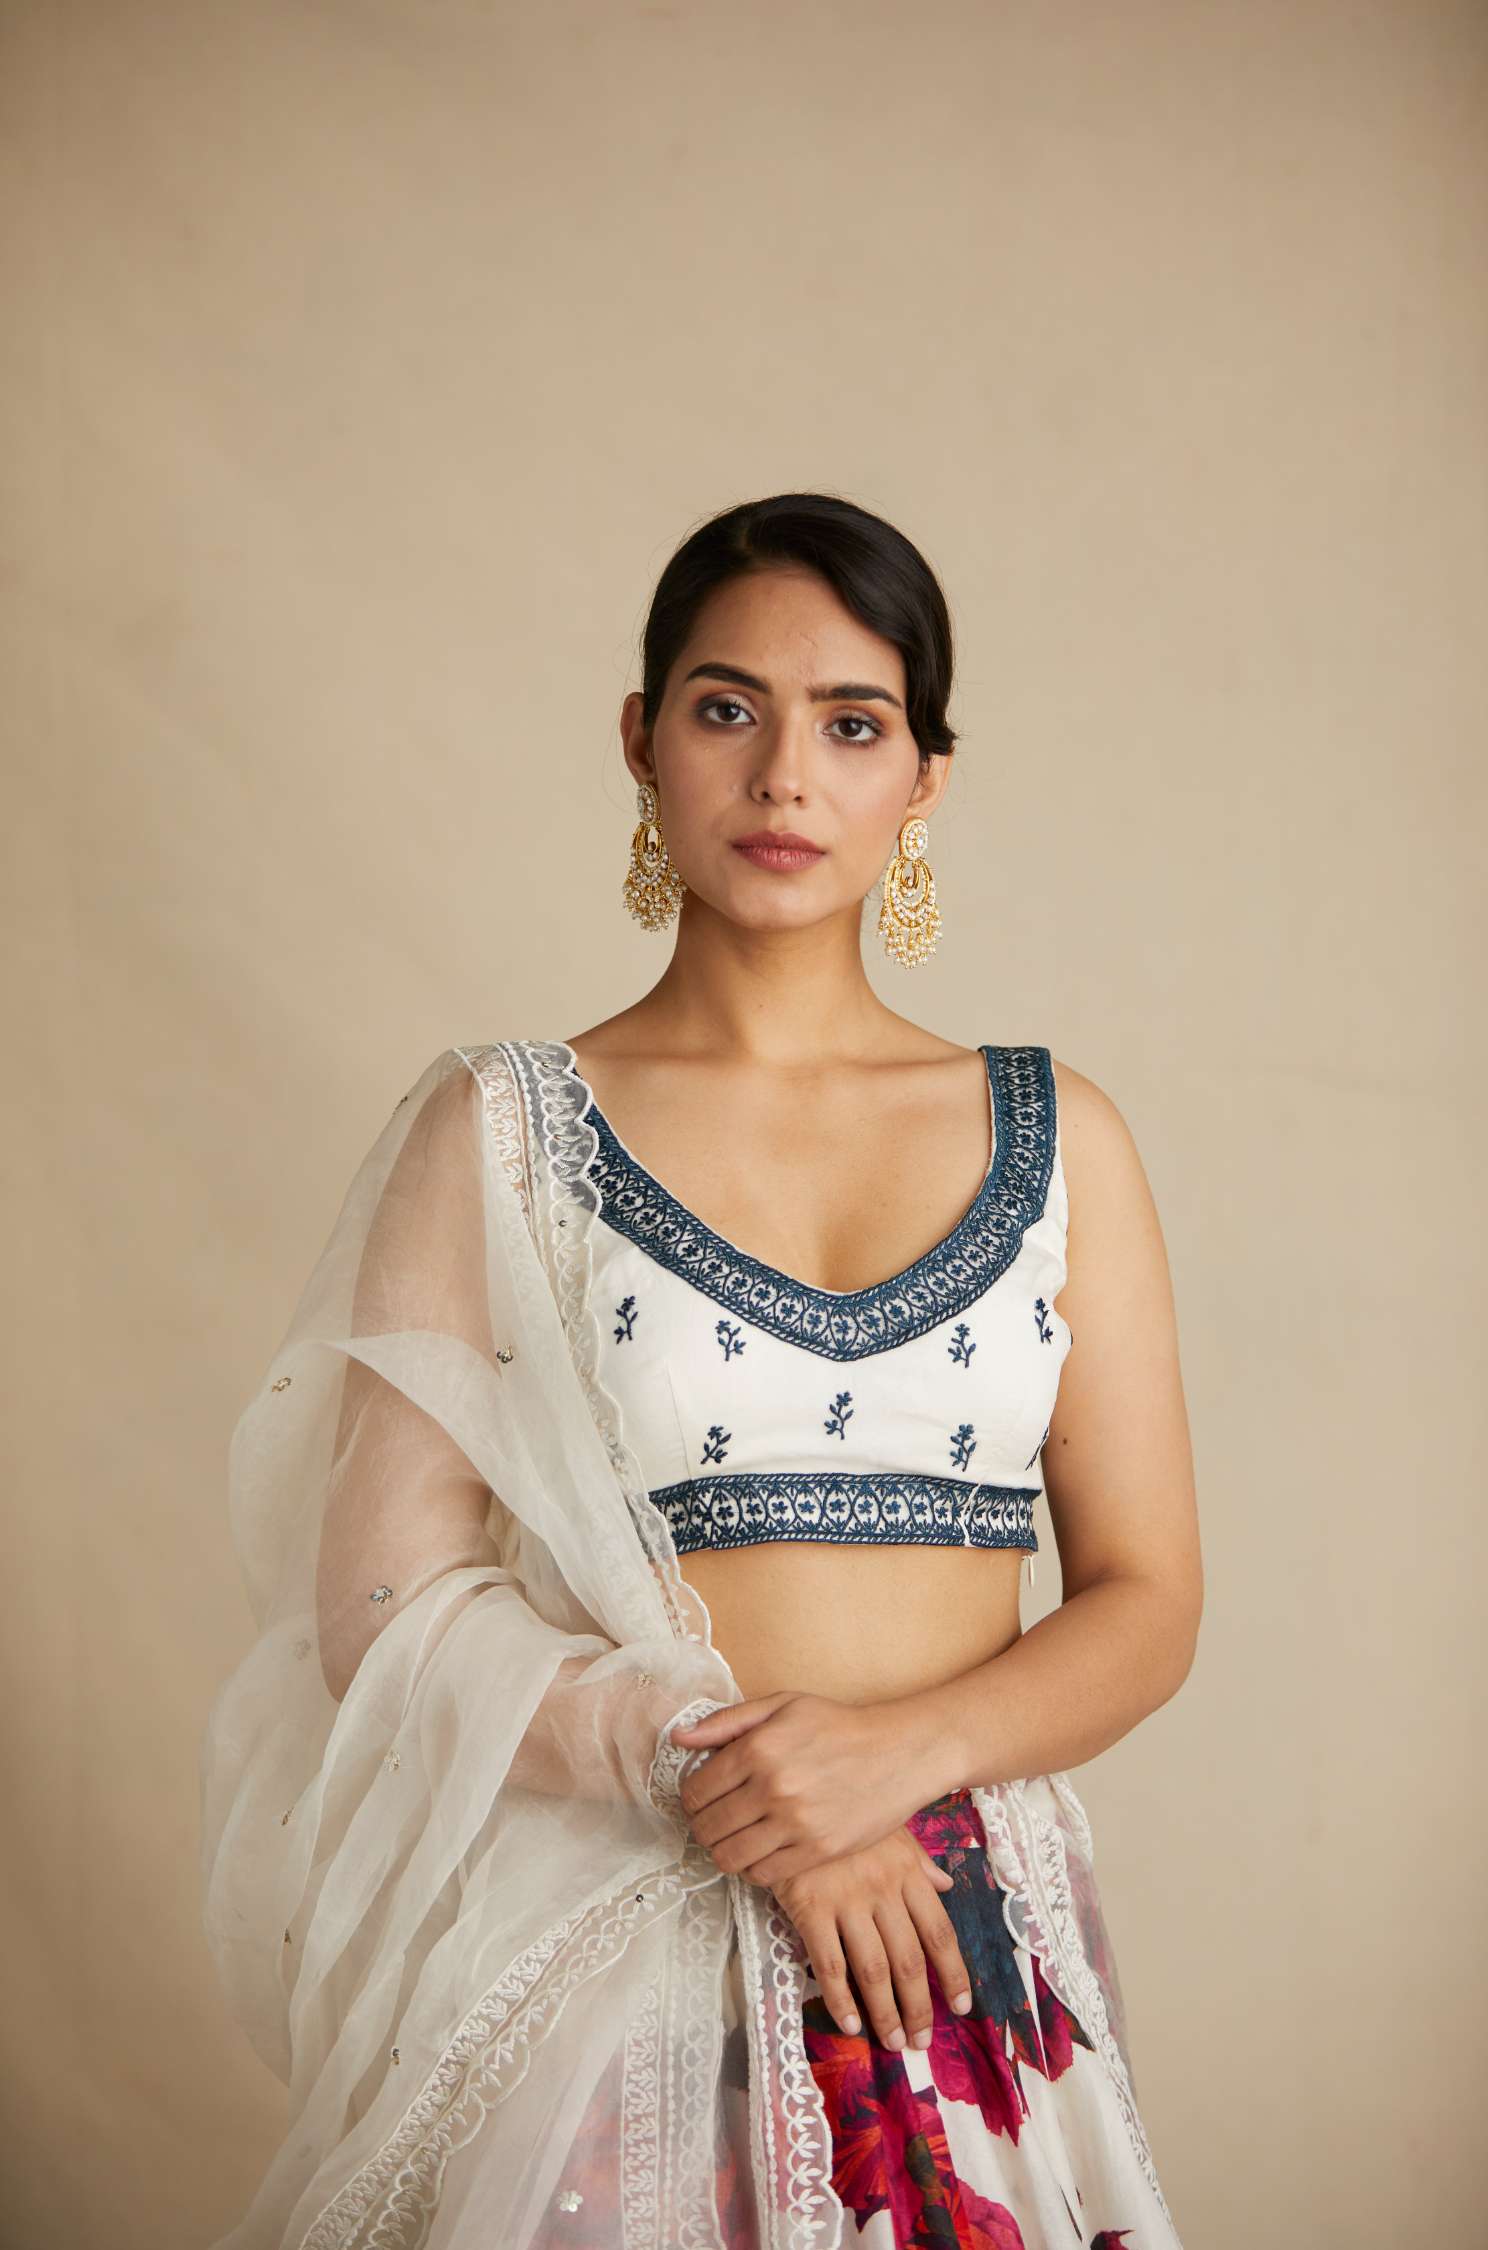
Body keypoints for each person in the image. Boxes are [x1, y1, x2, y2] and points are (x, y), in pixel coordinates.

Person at [200, 492, 1202, 2250]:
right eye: (727, 708)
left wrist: (884, 1767)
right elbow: (384, 1597)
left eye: (852, 723)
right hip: (613, 1941)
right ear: (643, 741)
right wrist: (717, 1776)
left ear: (925, 780)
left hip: (953, 1955)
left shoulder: (1063, 1139)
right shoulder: (498, 1129)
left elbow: (1148, 1597)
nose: (784, 775)